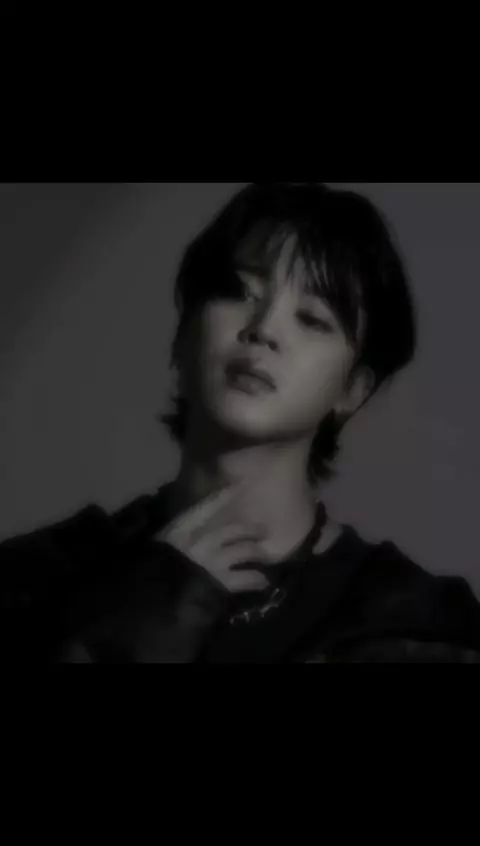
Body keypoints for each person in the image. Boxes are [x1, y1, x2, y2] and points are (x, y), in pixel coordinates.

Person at [2, 182, 480, 663]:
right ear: (185, 332)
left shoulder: (408, 625)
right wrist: (144, 618)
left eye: (312, 319)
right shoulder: (39, 578)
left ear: (352, 390)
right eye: (240, 292)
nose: (264, 328)